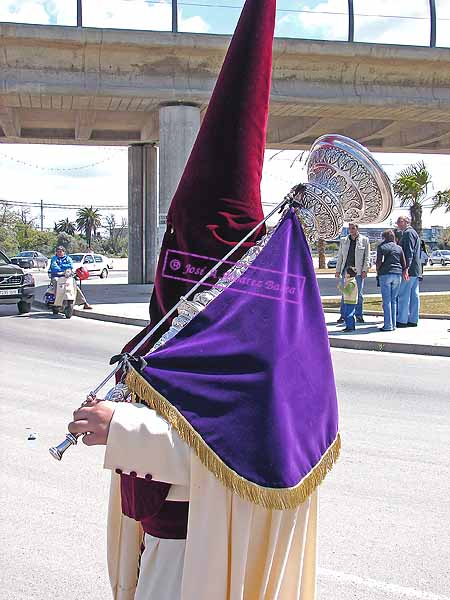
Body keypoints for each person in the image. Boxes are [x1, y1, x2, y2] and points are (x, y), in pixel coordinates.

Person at [335, 223, 370, 324]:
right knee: (345, 293)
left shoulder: (364, 240)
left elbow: (367, 257)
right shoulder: (344, 240)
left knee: (359, 294)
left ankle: (358, 315)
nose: (351, 230)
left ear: (357, 229)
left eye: (353, 228)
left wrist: (365, 270)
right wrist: (337, 270)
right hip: (346, 271)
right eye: (350, 228)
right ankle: (343, 315)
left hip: (358, 271)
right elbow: (340, 256)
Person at [376, 230, 408, 332]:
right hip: (397, 274)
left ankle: (387, 325)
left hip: (385, 274)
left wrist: (378, 270)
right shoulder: (399, 248)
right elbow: (404, 263)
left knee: (387, 301)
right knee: (393, 300)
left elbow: (379, 262)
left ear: (384, 237)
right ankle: (393, 324)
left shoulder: (381, 247)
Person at [395, 216, 421, 327]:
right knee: (414, 295)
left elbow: (408, 252)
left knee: (404, 295)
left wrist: (406, 268)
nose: (398, 224)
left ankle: (402, 320)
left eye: (400, 221)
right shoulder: (414, 233)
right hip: (415, 269)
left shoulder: (408, 233)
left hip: (409, 270)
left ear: (406, 222)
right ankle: (413, 319)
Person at [337, 266, 358, 331]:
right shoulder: (350, 281)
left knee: (348, 314)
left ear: (349, 274)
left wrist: (340, 288)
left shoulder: (351, 283)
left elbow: (347, 292)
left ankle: (350, 327)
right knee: (348, 314)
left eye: (346, 273)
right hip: (349, 300)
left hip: (350, 301)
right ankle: (350, 326)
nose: (345, 274)